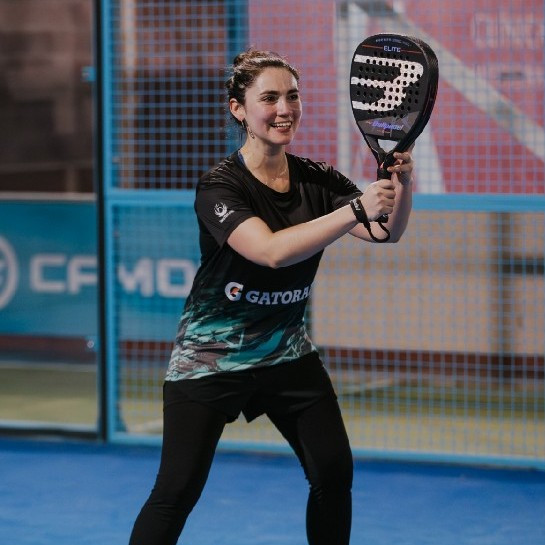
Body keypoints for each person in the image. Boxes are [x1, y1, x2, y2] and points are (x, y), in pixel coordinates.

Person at [128, 48, 414, 545]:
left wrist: (401, 182)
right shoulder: (219, 186)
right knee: (176, 491)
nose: (285, 109)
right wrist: (355, 209)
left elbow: (385, 231)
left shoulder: (318, 179)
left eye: (293, 96)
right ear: (239, 109)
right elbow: (271, 252)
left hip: (286, 352)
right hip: (211, 358)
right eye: (269, 98)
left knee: (333, 472)